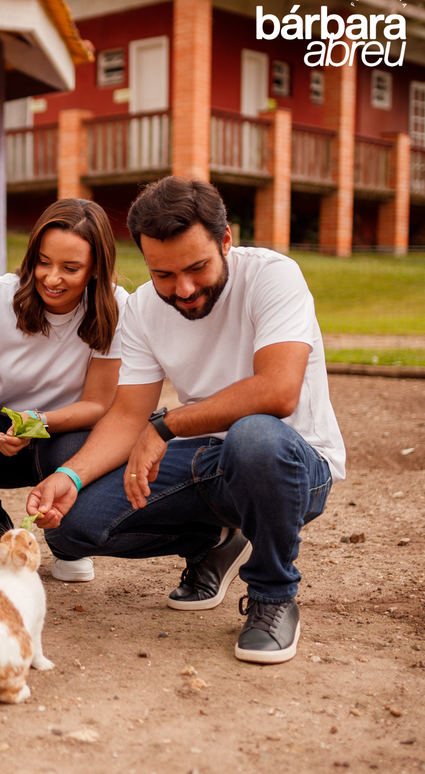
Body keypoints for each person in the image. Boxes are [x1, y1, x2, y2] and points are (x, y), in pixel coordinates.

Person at [27, 176, 345, 664]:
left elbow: (277, 391)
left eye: (197, 267)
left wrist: (167, 425)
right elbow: (130, 414)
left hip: (292, 463)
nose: (185, 289)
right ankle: (214, 542)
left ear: (226, 241)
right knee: (72, 530)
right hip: (211, 462)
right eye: (164, 275)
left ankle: (272, 596)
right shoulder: (143, 310)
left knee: (254, 436)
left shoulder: (273, 276)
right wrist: (70, 475)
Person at [0, 198, 128, 584]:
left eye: (70, 268)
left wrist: (37, 423)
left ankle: (68, 545)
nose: (52, 278)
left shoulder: (115, 306)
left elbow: (99, 405)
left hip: (65, 430)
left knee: (87, 450)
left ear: (95, 267)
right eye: (43, 262)